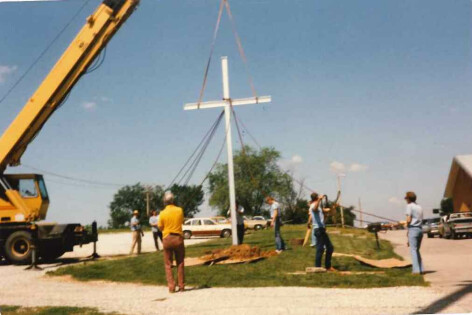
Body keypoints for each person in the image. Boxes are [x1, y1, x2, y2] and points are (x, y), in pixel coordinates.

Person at [158, 191, 185, 293]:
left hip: (167, 237)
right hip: (178, 237)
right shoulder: (179, 210)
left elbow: (160, 227)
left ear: (165, 201)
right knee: (180, 262)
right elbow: (181, 221)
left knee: (168, 264)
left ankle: (171, 286)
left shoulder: (162, 213)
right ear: (173, 200)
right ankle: (181, 285)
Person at [309, 192, 335, 271]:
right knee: (320, 248)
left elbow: (325, 210)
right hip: (319, 230)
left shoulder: (318, 206)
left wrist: (332, 208)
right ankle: (318, 267)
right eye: (318, 197)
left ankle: (327, 266)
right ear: (316, 198)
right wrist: (320, 200)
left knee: (329, 247)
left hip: (321, 229)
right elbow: (314, 208)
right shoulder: (313, 205)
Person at [404, 191, 424, 274]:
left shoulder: (409, 206)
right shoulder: (419, 206)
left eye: (406, 198)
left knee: (413, 250)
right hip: (420, 229)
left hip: (413, 229)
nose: (406, 200)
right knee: (417, 250)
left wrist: (405, 224)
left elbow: (408, 219)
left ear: (408, 198)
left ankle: (416, 271)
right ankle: (421, 269)